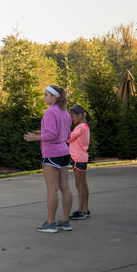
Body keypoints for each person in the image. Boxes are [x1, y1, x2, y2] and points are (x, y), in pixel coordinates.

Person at [24, 85, 73, 233]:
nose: (44, 97)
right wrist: (42, 132)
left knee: (52, 189)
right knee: (65, 188)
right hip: (64, 153)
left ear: (54, 97)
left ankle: (51, 223)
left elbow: (52, 135)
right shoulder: (65, 113)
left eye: (46, 95)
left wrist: (35, 137)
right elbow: (66, 135)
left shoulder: (50, 112)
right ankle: (65, 221)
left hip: (52, 154)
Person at [67, 104, 91, 220]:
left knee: (79, 185)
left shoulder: (80, 127)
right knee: (84, 185)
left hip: (78, 159)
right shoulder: (84, 126)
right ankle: (85, 209)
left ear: (79, 115)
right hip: (82, 158)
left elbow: (68, 138)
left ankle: (80, 210)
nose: (71, 120)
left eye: (72, 117)